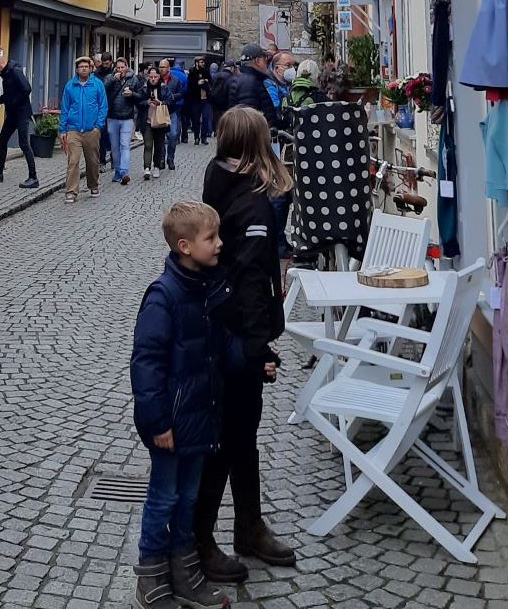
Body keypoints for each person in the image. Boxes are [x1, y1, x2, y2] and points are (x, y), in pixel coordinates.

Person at [193, 107, 296, 580]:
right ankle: (205, 539)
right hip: (238, 332)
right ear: (258, 144)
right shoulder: (251, 203)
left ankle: (246, 526)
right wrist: (259, 347)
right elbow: (251, 278)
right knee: (231, 437)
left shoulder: (217, 180)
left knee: (237, 436)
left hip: (218, 323)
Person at [130, 201, 231, 609]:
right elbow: (146, 364)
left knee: (189, 497)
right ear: (185, 246)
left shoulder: (207, 286)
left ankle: (184, 571)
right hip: (170, 424)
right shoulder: (163, 296)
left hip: (199, 417)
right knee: (164, 498)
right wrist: (158, 422)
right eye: (212, 238)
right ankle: (150, 576)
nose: (220, 244)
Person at [0, 47, 39, 188]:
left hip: (21, 113)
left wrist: (14, 102)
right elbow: (9, 94)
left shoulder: (15, 71)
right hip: (13, 114)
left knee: (24, 144)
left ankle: (33, 178)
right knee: (2, 140)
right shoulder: (6, 73)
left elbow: (26, 89)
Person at [59, 54, 108, 202]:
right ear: (77, 69)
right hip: (73, 129)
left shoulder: (97, 84)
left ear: (91, 69)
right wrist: (63, 129)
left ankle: (93, 185)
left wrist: (98, 126)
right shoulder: (70, 86)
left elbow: (103, 106)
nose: (84, 69)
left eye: (86, 66)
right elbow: (65, 108)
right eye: (81, 67)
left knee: (92, 161)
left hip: (91, 129)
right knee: (73, 161)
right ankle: (71, 191)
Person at [105, 55, 145, 185]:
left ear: (127, 67)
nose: (120, 70)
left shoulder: (133, 79)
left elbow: (140, 96)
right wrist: (113, 80)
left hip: (127, 117)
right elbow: (103, 90)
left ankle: (124, 172)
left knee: (125, 145)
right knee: (114, 147)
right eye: (118, 68)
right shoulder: (110, 77)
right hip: (112, 117)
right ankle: (117, 170)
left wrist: (132, 94)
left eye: (122, 67)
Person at [228, 47, 279, 131]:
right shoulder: (249, 82)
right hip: (254, 135)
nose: (266, 64)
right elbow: (248, 118)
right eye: (265, 60)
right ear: (258, 61)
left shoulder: (249, 79)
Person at [142, 63, 173, 179]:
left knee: (159, 145)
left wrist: (160, 103)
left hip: (160, 121)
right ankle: (146, 168)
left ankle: (156, 166)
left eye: (155, 77)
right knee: (148, 145)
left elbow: (171, 102)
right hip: (147, 121)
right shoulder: (144, 88)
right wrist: (146, 102)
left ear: (159, 77)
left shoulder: (164, 88)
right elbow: (138, 101)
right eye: (151, 77)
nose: (153, 79)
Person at [161, 58, 188, 170]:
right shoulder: (156, 79)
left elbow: (182, 93)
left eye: (163, 67)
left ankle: (170, 158)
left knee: (173, 135)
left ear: (169, 68)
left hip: (172, 110)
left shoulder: (175, 80)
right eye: (160, 67)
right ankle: (161, 159)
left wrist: (173, 97)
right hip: (159, 111)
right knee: (160, 137)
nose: (161, 69)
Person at [207, 61, 236, 133]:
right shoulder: (232, 77)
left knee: (216, 118)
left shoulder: (216, 75)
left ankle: (217, 131)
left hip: (216, 103)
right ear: (232, 68)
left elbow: (211, 88)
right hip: (226, 103)